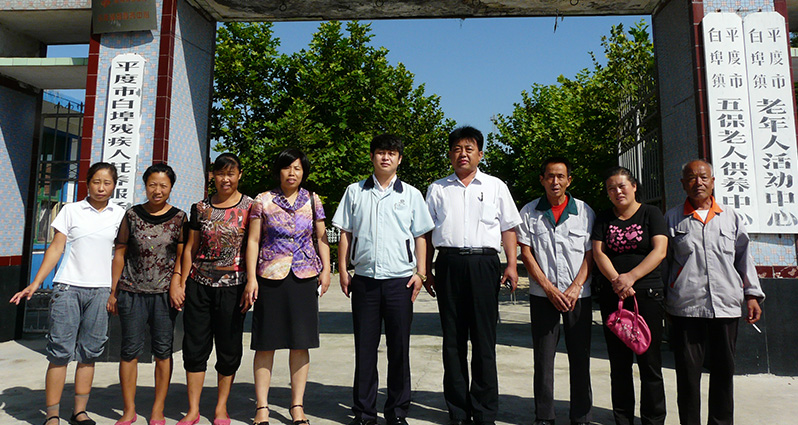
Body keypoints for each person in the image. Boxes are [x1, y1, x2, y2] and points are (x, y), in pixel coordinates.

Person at [10, 162, 125, 425]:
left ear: (114, 186)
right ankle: (52, 414)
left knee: (89, 354)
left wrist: (115, 291)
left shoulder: (120, 215)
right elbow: (56, 247)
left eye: (107, 183)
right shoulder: (71, 211)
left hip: (101, 291)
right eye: (96, 181)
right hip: (68, 288)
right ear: (88, 183)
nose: (101, 187)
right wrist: (36, 282)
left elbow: (121, 254)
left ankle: (79, 412)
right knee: (60, 353)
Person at [332, 134, 435, 425]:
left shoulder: (411, 194)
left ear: (399, 159)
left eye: (391, 153)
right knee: (365, 349)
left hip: (400, 283)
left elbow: (421, 236)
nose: (385, 157)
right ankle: (364, 413)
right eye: (380, 152)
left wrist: (421, 273)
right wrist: (343, 270)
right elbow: (345, 232)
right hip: (364, 281)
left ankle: (397, 412)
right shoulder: (355, 191)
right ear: (372, 156)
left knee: (399, 349)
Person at [425, 126, 521, 425]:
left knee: (484, 340)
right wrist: (425, 269)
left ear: (480, 153)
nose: (462, 154)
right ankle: (457, 411)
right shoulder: (437, 189)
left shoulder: (495, 186)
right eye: (457, 149)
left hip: (484, 264)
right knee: (453, 340)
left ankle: (484, 411)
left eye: (469, 149)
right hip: (449, 264)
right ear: (450, 154)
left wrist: (511, 264)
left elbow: (508, 227)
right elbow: (426, 233)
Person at [664, 159, 764, 425]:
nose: (698, 183)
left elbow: (744, 258)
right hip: (686, 306)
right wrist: (664, 302)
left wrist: (752, 295)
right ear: (682, 183)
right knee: (688, 374)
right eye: (691, 178)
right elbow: (665, 263)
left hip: (725, 305)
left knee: (723, 372)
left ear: (713, 181)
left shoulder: (730, 217)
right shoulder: (672, 218)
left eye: (703, 177)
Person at [243, 148, 331, 425]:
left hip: (304, 276)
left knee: (300, 343)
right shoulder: (263, 200)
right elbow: (253, 241)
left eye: (297, 168)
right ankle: (262, 407)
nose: (292, 173)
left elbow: (321, 237)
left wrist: (327, 270)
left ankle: (297, 406)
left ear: (304, 172)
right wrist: (251, 278)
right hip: (270, 276)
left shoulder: (313, 199)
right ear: (278, 171)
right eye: (287, 167)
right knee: (265, 344)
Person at [171, 153, 253, 425]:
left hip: (234, 287)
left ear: (239, 175)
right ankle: (193, 409)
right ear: (212, 176)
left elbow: (254, 245)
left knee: (229, 349)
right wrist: (181, 281)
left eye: (230, 173)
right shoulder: (200, 208)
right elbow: (191, 247)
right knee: (194, 347)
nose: (225, 179)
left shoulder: (251, 207)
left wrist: (251, 283)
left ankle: (220, 408)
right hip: (199, 285)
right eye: (220, 173)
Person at [516, 157, 594, 425]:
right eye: (550, 176)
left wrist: (576, 286)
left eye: (561, 176)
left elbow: (590, 253)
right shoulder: (529, 211)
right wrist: (548, 288)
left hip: (578, 296)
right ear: (542, 180)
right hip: (543, 296)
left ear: (569, 180)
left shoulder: (584, 211)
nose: (555, 181)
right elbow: (526, 253)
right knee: (543, 358)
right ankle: (544, 416)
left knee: (580, 356)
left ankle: (581, 416)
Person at [107, 163, 187, 425]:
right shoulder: (132, 215)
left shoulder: (179, 218)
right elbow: (120, 253)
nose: (157, 190)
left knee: (163, 352)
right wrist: (114, 291)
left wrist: (177, 283)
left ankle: (157, 409)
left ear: (171, 187)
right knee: (129, 351)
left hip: (164, 295)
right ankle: (129, 410)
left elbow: (182, 255)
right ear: (145, 185)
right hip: (131, 292)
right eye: (152, 184)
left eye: (163, 185)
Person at [591, 166, 668, 425]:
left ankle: (653, 419)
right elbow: (599, 253)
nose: (617, 191)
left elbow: (660, 251)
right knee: (619, 364)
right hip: (614, 297)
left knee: (650, 363)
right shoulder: (604, 218)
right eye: (611, 188)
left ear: (634, 186)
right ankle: (623, 419)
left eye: (622, 186)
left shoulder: (651, 213)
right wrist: (617, 280)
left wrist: (631, 277)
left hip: (647, 295)